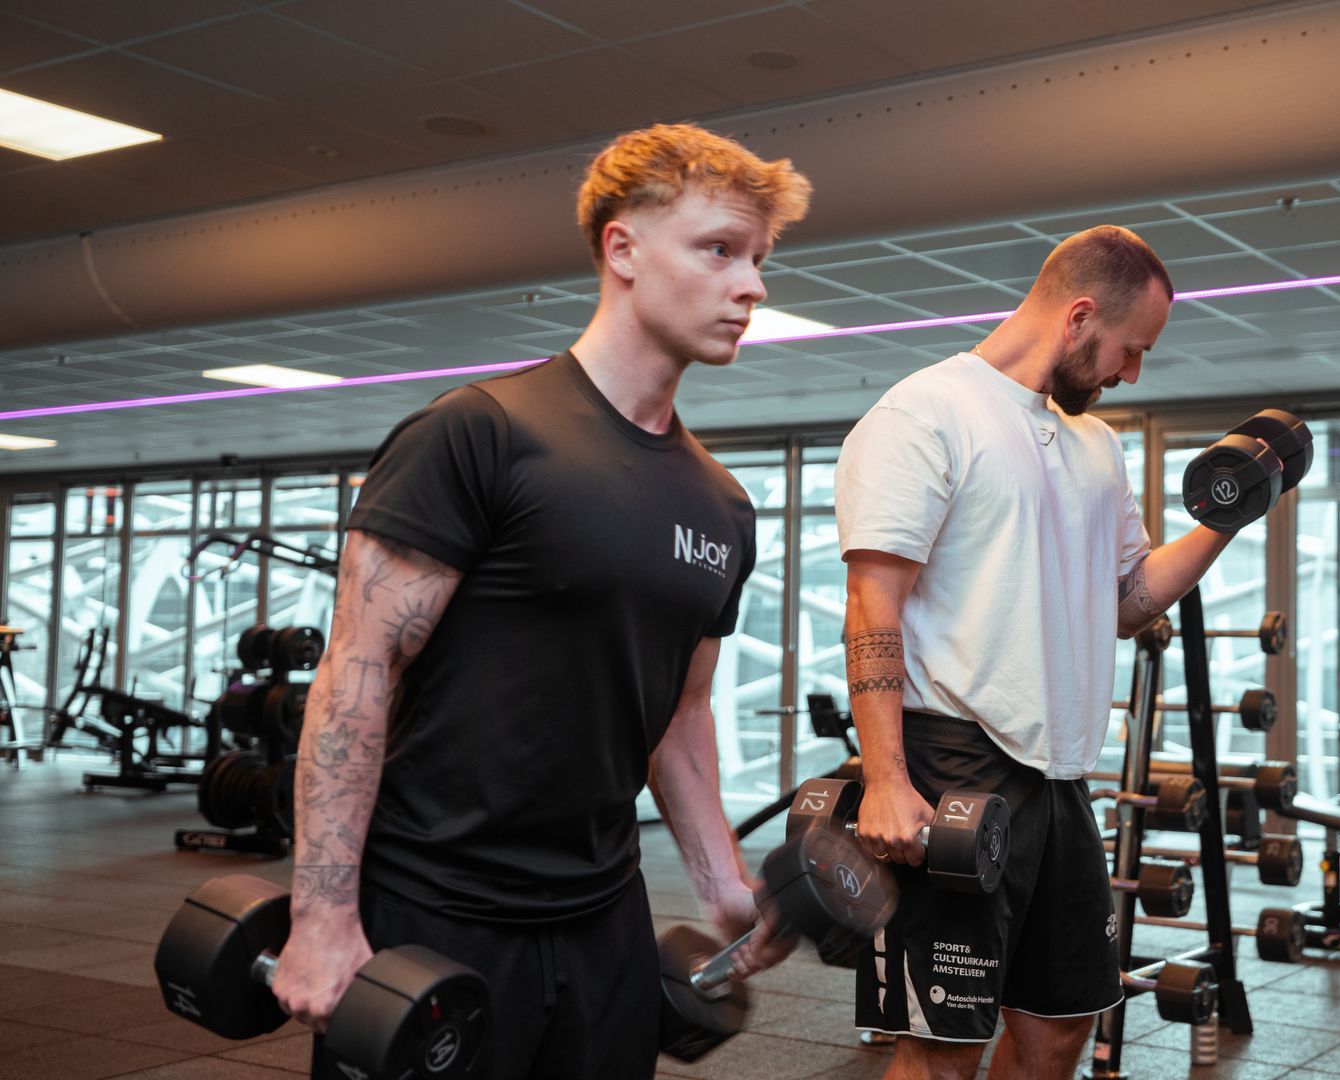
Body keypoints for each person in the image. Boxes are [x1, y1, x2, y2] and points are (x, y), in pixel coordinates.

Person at [270, 124, 812, 1079]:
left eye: (759, 259)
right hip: (436, 908)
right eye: (720, 250)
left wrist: (721, 877)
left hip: (604, 920)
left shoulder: (721, 505)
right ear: (622, 249)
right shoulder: (479, 434)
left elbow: (680, 714)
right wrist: (320, 915)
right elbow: (356, 672)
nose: (753, 286)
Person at [835, 226, 1250, 1079]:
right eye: (1131, 349)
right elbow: (873, 606)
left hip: (1062, 776)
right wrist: (884, 779)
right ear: (1080, 316)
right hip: (953, 761)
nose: (1131, 373)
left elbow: (1128, 601)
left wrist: (1228, 515)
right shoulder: (926, 413)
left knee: (1061, 1027)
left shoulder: (1097, 444)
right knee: (942, 1045)